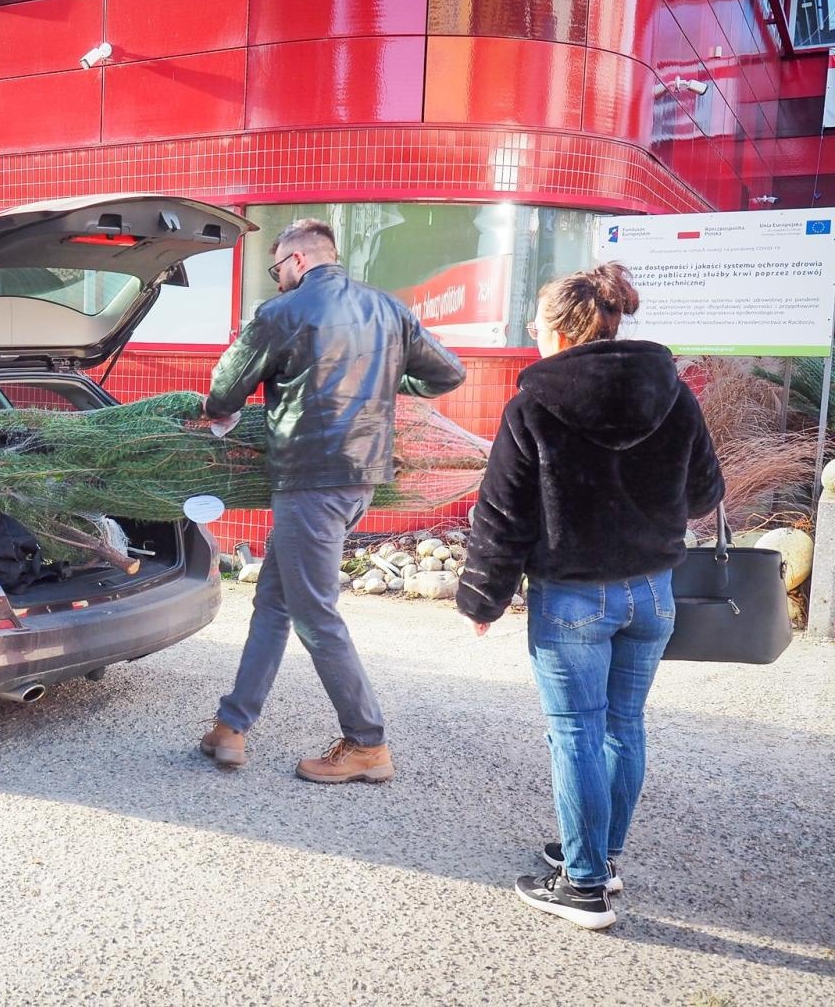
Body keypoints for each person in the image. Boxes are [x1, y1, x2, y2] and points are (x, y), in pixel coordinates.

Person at [457, 264, 722, 930]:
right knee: (622, 727)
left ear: (560, 329)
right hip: (653, 595)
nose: (531, 332)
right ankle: (601, 856)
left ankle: (581, 888)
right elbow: (704, 493)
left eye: (537, 323)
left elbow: (502, 516)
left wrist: (482, 600)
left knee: (576, 732)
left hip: (573, 599)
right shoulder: (675, 394)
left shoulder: (533, 405)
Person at [198, 220, 466, 782]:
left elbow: (227, 384)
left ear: (296, 261)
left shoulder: (284, 312)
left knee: (316, 615)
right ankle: (232, 726)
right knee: (275, 601)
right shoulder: (389, 310)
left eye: (276, 270)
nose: (277, 280)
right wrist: (386, 379)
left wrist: (219, 410)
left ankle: (368, 742)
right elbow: (448, 374)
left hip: (309, 481)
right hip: (360, 479)